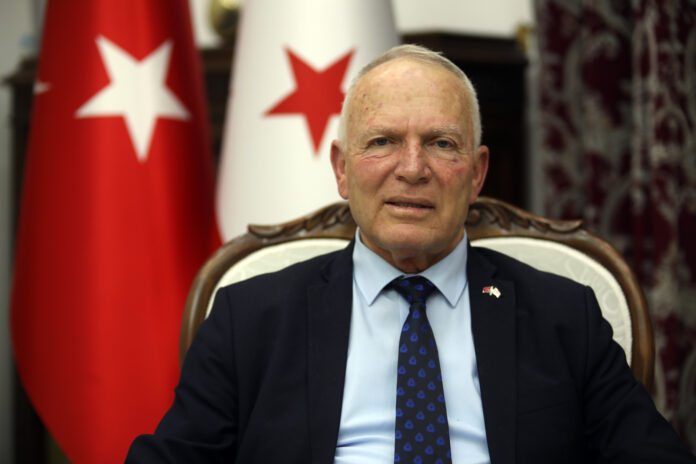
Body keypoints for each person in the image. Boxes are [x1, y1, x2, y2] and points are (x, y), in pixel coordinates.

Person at [126, 44, 696, 463]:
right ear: (342, 170)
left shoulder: (563, 315)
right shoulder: (249, 317)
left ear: (477, 173)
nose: (413, 168)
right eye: (383, 141)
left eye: (442, 144)